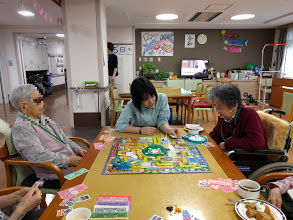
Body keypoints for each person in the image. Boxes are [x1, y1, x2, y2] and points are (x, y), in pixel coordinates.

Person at [10, 84, 87, 188]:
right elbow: (37, 155)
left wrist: (77, 149)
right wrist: (69, 161)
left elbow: (64, 139)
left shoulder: (44, 120)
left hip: (71, 165)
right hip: (55, 173)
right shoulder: (22, 128)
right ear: (23, 106)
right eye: (37, 101)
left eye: (41, 99)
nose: (43, 103)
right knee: (95, 178)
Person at [209, 84, 267, 154]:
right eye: (216, 106)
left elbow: (256, 142)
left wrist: (228, 144)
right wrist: (204, 140)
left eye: (220, 107)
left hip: (246, 159)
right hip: (229, 155)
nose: (217, 110)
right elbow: (216, 135)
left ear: (234, 106)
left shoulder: (249, 114)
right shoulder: (225, 116)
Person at [115, 77, 180, 136]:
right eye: (146, 99)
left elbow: (162, 121)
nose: (151, 101)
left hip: (157, 134)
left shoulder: (162, 98)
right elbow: (120, 125)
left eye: (152, 96)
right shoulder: (132, 105)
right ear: (138, 100)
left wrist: (168, 130)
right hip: (138, 136)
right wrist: (141, 130)